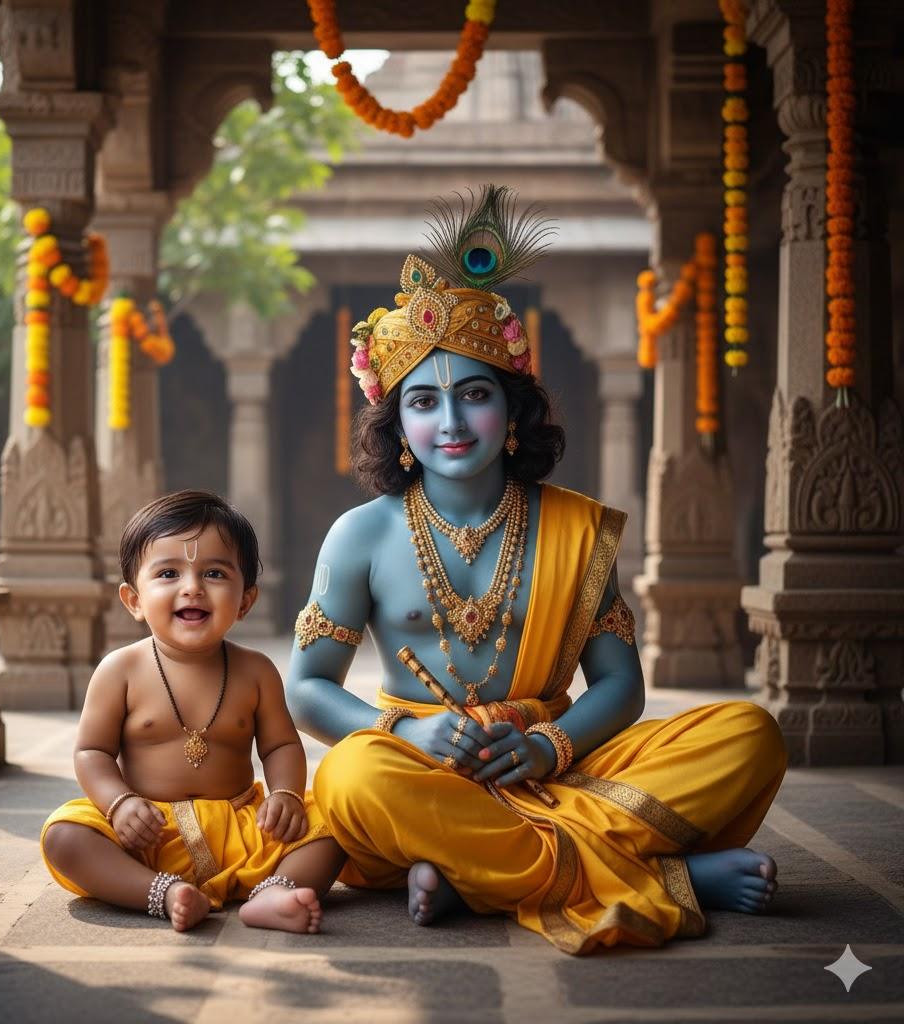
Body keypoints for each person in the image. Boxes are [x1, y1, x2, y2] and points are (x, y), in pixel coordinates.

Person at [286, 186, 787, 954]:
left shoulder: (576, 526)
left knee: (750, 732)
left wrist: (550, 745)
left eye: (474, 395)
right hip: (422, 767)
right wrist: (406, 734)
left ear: (512, 411)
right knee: (354, 779)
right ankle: (671, 877)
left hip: (553, 760)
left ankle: (471, 869)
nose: (450, 423)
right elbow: (309, 687)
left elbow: (620, 684)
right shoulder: (359, 534)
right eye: (424, 402)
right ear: (398, 423)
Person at [41, 490, 345, 933]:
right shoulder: (120, 670)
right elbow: (92, 751)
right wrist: (119, 803)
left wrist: (285, 796)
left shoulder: (256, 671)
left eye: (215, 573)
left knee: (337, 824)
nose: (192, 587)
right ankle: (162, 892)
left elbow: (281, 745)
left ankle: (273, 892)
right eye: (168, 573)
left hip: (243, 827)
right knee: (64, 835)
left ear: (245, 601)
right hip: (149, 830)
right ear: (133, 600)